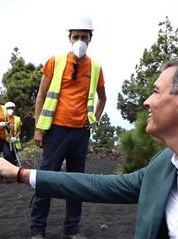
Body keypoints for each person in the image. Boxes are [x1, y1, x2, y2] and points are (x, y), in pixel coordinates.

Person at [0, 55, 178, 239]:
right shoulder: (163, 166)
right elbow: (98, 186)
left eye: (155, 91)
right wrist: (20, 174)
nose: (146, 101)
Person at [29, 17, 106, 239]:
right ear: (69, 37)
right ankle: (37, 230)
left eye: (84, 36)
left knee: (77, 182)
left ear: (91, 38)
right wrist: (38, 128)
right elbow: (41, 95)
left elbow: (103, 98)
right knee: (46, 179)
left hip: (81, 133)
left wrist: (95, 119)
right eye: (76, 36)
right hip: (56, 131)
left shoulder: (96, 67)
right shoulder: (55, 61)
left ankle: (72, 229)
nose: (80, 40)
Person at [3, 101, 22, 166]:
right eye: (8, 108)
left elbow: (19, 131)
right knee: (7, 155)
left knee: (14, 157)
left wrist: (15, 137)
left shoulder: (17, 119)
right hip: (6, 141)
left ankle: (14, 170)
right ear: (5, 109)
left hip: (14, 141)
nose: (10, 110)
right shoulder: (4, 118)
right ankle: (8, 169)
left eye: (12, 108)